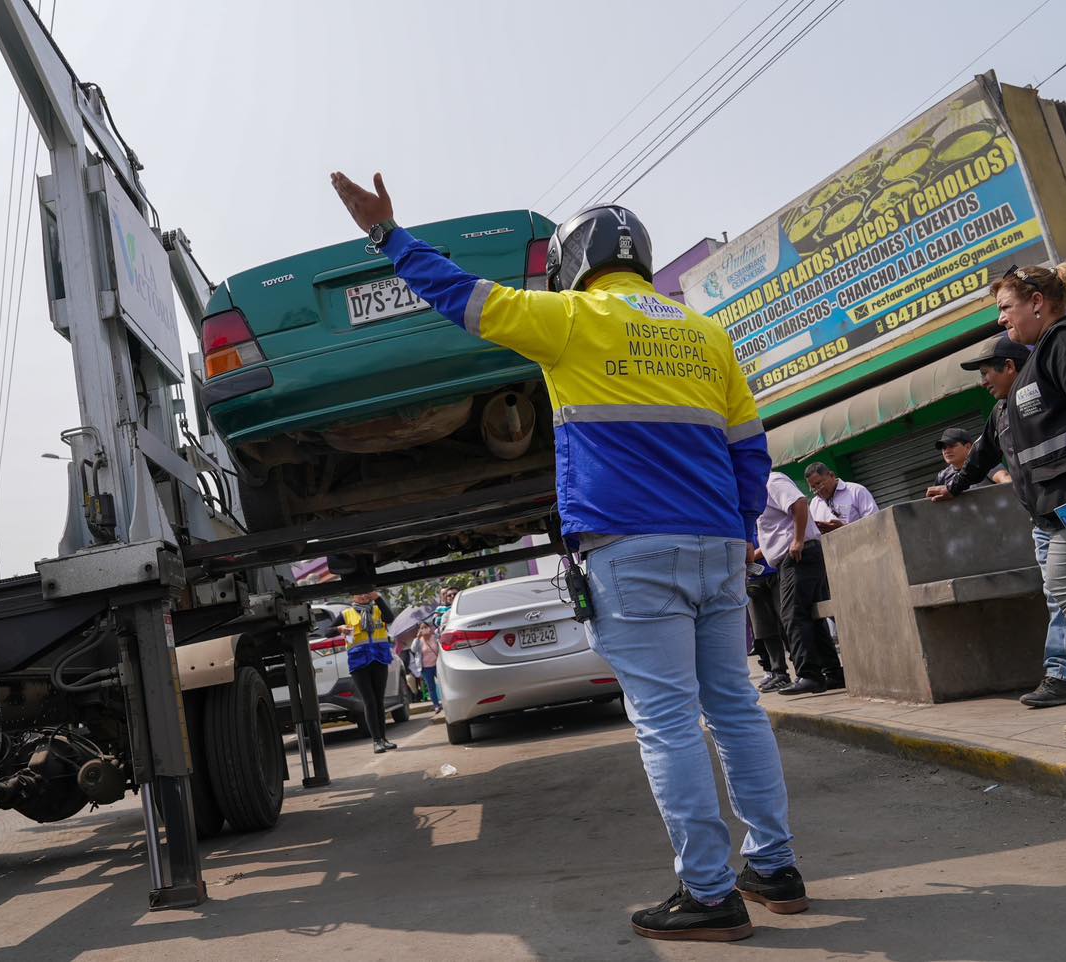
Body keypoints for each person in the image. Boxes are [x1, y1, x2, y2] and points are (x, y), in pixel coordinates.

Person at [332, 172, 805, 942]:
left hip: (632, 546)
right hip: (719, 545)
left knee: (667, 723)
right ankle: (776, 868)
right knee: (736, 707)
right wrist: (738, 528)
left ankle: (711, 891)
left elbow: (463, 297)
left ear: (572, 260)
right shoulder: (706, 334)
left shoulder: (571, 318)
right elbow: (749, 450)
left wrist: (389, 236)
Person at [928, 263, 1066, 741]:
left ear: (1037, 303)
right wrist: (956, 484)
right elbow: (987, 449)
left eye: (1006, 307)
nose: (1002, 319)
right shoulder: (1042, 356)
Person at [755, 471, 844, 694]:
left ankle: (809, 675)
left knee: (792, 614)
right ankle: (832, 672)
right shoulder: (756, 492)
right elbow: (775, 534)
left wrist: (797, 540)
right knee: (811, 616)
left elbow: (800, 503)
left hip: (798, 555)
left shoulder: (771, 481)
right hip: (790, 558)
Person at [340, 590, 399, 753]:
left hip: (379, 658)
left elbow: (390, 618)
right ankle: (376, 741)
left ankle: (384, 738)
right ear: (353, 595)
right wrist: (340, 627)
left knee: (379, 701)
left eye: (367, 593)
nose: (363, 595)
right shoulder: (346, 613)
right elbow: (327, 631)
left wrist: (378, 598)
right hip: (359, 662)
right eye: (360, 593)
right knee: (370, 701)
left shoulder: (378, 609)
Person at [746, 557, 789, 692]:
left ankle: (804, 671)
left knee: (788, 623)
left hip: (777, 571)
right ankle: (778, 672)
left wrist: (749, 556)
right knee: (764, 630)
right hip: (753, 578)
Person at [803, 463, 878, 533]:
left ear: (832, 475)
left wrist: (843, 529)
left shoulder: (856, 491)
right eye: (813, 487)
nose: (818, 490)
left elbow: (874, 522)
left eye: (818, 483)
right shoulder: (814, 504)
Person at [935, 427, 1012, 487]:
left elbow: (1006, 479)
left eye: (951, 446)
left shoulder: (985, 463)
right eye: (944, 447)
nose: (946, 451)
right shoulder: (942, 476)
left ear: (968, 447)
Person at [413, 622, 442, 714]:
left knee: (443, 684)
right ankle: (436, 705)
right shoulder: (419, 640)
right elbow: (413, 649)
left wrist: (434, 633)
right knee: (431, 687)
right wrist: (417, 637)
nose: (424, 629)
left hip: (438, 665)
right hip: (426, 668)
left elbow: (442, 643)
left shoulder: (435, 637)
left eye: (426, 627)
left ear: (429, 627)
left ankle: (446, 702)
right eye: (422, 628)